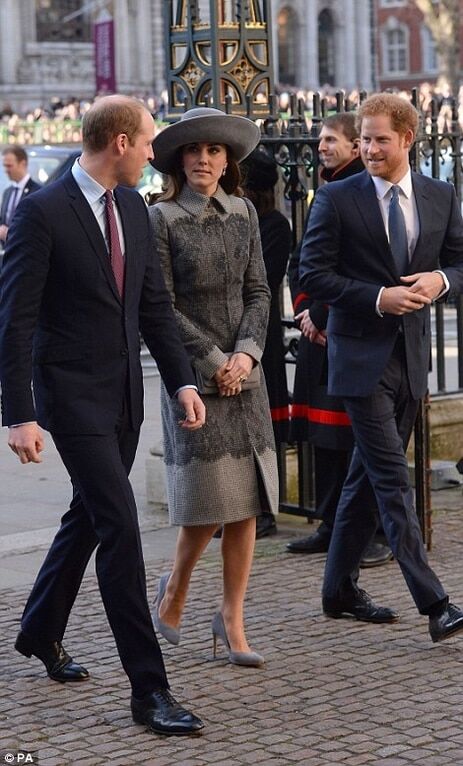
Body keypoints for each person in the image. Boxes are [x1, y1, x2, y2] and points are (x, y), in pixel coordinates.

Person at [0, 95, 206, 736]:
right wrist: (19, 415)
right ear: (119, 142)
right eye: (148, 141)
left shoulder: (135, 213)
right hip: (70, 400)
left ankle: (38, 630)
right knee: (119, 527)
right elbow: (15, 322)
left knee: (89, 515)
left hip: (125, 398)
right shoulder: (41, 213)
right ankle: (150, 691)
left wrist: (182, 383)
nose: (154, 153)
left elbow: (154, 309)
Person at [299, 92, 463, 642]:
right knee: (392, 477)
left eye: (379, 139)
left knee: (366, 479)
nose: (368, 149)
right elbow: (313, 273)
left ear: (408, 140)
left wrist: (439, 281)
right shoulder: (337, 198)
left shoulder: (440, 196)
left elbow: (460, 262)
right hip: (359, 360)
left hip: (413, 360)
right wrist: (375, 298)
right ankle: (435, 602)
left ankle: (338, 590)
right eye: (364, 139)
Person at [148, 107, 278, 667]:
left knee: (245, 502)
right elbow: (162, 308)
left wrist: (246, 357)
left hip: (245, 379)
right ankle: (175, 586)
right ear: (180, 159)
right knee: (206, 502)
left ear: (229, 161)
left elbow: (260, 292)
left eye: (215, 151)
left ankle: (231, 617)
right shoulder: (161, 218)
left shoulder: (245, 212)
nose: (204, 159)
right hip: (193, 380)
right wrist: (214, 360)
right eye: (194, 150)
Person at [287, 113, 392, 568]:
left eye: (331, 139)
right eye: (321, 140)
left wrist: (323, 314)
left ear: (353, 147)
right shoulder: (327, 189)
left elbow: (363, 268)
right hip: (319, 329)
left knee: (358, 443)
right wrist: (306, 312)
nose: (322, 147)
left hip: (347, 328)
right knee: (324, 438)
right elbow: (304, 259)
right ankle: (330, 523)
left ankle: (368, 533)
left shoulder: (362, 191)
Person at [241, 146, 292, 539]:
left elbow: (262, 282)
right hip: (227, 336)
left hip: (261, 335)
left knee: (263, 427)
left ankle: (267, 510)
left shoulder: (273, 224)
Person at [0, 145, 41, 246]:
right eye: (4, 166)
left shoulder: (37, 192)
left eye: (9, 166)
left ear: (22, 164)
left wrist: (10, 234)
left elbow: (36, 228)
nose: (6, 170)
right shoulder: (7, 192)